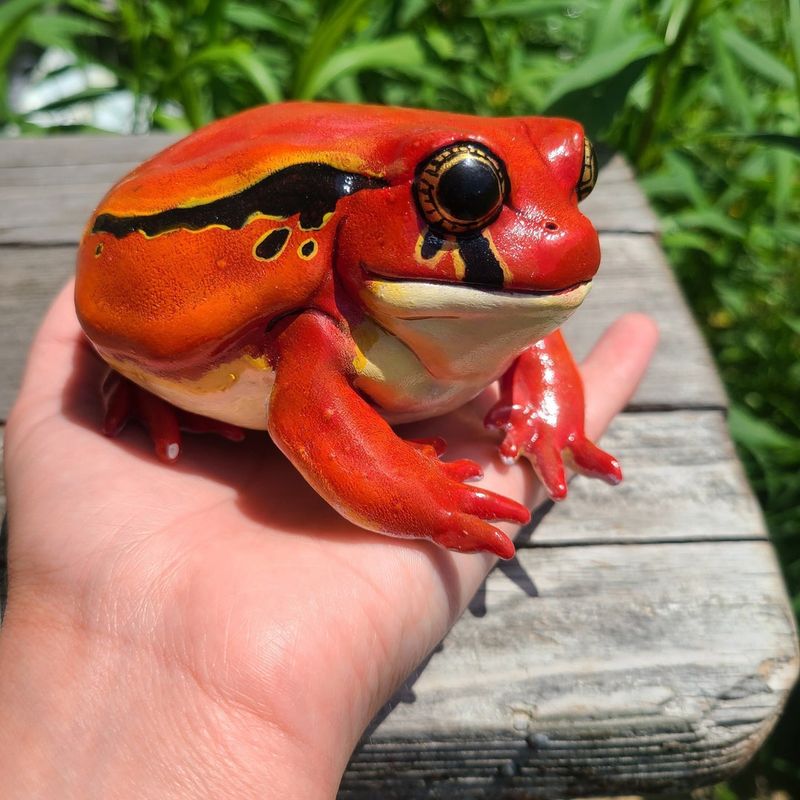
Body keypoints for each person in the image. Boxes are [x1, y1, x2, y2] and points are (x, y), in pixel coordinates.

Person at [0, 282, 657, 798]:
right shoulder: (322, 317)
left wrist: (549, 411)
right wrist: (428, 499)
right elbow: (303, 405)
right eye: (470, 191)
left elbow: (525, 307)